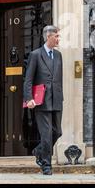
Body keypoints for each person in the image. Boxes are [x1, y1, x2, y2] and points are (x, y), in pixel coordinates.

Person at [24, 25, 63, 175]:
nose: (58, 39)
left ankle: (39, 151)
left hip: (57, 99)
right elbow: (28, 80)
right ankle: (46, 165)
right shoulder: (35, 55)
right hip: (42, 101)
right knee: (46, 134)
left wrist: (60, 95)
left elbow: (58, 79)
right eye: (57, 36)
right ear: (48, 37)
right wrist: (29, 98)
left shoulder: (59, 55)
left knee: (57, 132)